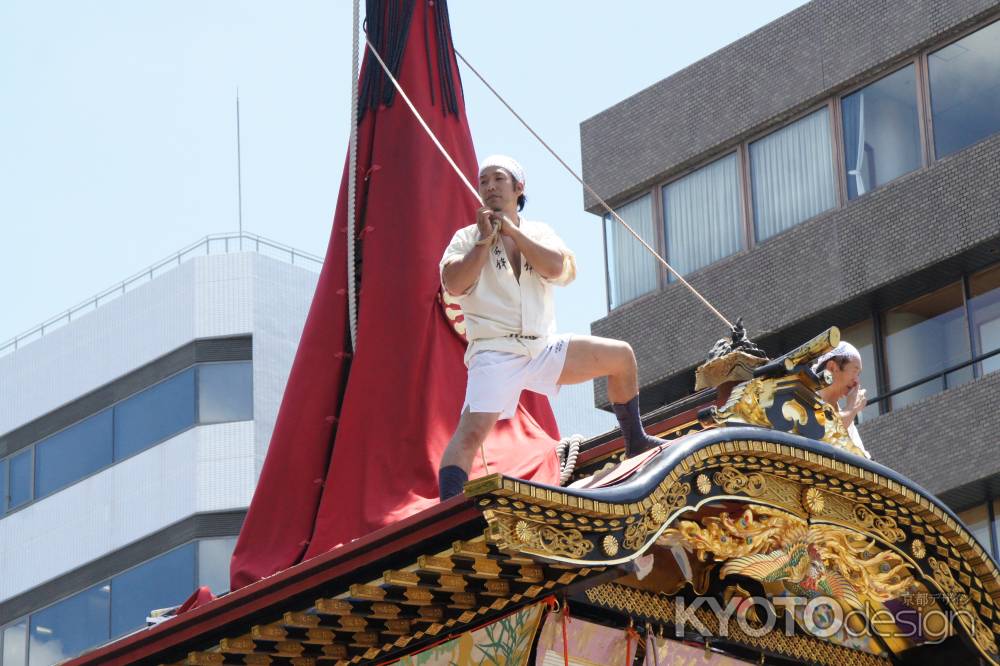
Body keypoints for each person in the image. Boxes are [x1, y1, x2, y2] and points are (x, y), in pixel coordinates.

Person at [437, 155, 664, 500]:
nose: (490, 186)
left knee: (621, 357)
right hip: (495, 350)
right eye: (483, 181)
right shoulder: (467, 237)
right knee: (469, 435)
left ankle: (635, 442)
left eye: (499, 178)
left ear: (518, 187)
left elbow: (558, 268)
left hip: (541, 346)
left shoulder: (538, 231)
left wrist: (512, 231)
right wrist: (485, 242)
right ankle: (448, 506)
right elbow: (453, 283)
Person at [813, 341, 872, 459]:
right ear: (832, 367)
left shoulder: (847, 418)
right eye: (855, 371)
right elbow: (822, 433)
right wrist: (851, 408)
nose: (857, 381)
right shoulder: (804, 396)